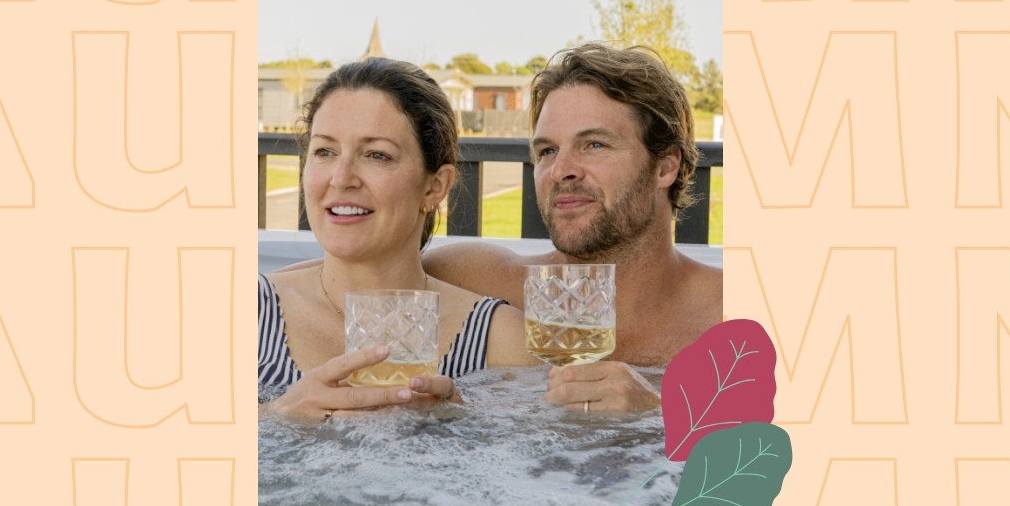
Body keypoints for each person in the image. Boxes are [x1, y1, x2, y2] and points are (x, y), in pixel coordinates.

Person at [422, 43, 723, 411]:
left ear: (665, 167)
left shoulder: (733, 317)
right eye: (547, 151)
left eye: (594, 144)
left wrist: (659, 412)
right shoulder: (470, 279)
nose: (560, 170)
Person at [259, 57, 553, 419]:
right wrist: (273, 414)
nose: (341, 178)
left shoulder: (501, 342)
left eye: (377, 155)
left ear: (434, 187)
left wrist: (461, 426)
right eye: (325, 152)